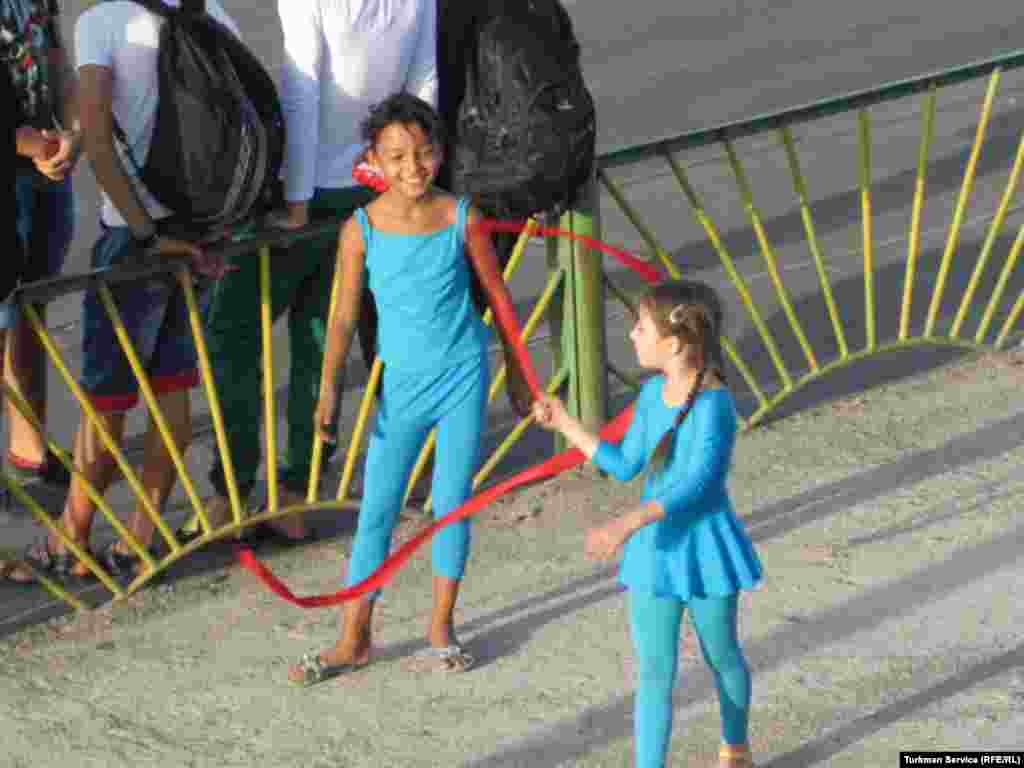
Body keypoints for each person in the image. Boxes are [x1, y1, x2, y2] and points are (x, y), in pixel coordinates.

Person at [287, 93, 529, 686]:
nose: (412, 168)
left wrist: (522, 373)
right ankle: (354, 636)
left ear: (439, 155)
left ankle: (442, 628)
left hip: (463, 375)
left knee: (452, 506)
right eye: (396, 157)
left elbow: (497, 297)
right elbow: (342, 318)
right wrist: (327, 396)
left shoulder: (460, 217)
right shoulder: (360, 228)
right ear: (373, 158)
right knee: (378, 510)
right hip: (400, 386)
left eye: (422, 154)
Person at [7, 0, 236, 584]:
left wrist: (144, 232)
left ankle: (71, 539)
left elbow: (102, 141)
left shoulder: (102, 23)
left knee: (106, 403)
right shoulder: (211, 14)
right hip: (202, 237)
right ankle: (141, 538)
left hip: (136, 241)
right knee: (172, 393)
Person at [195, 0, 440, 542]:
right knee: (319, 338)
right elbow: (423, 89)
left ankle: (231, 487)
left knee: (233, 333)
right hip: (370, 189)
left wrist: (298, 201)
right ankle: (296, 491)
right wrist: (411, 180)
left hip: (307, 192)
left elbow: (303, 94)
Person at [533, 280, 763, 768]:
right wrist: (566, 422)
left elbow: (697, 484)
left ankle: (735, 748)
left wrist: (624, 524)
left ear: (674, 344)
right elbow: (622, 463)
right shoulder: (652, 393)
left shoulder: (715, 405)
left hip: (705, 547)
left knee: (722, 655)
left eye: (641, 327)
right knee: (655, 674)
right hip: (656, 553)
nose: (633, 335)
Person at [1, 0, 80, 488]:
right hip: (12, 169)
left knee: (33, 307)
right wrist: (37, 147)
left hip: (47, 168)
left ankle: (29, 443)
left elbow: (58, 61)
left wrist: (69, 135)